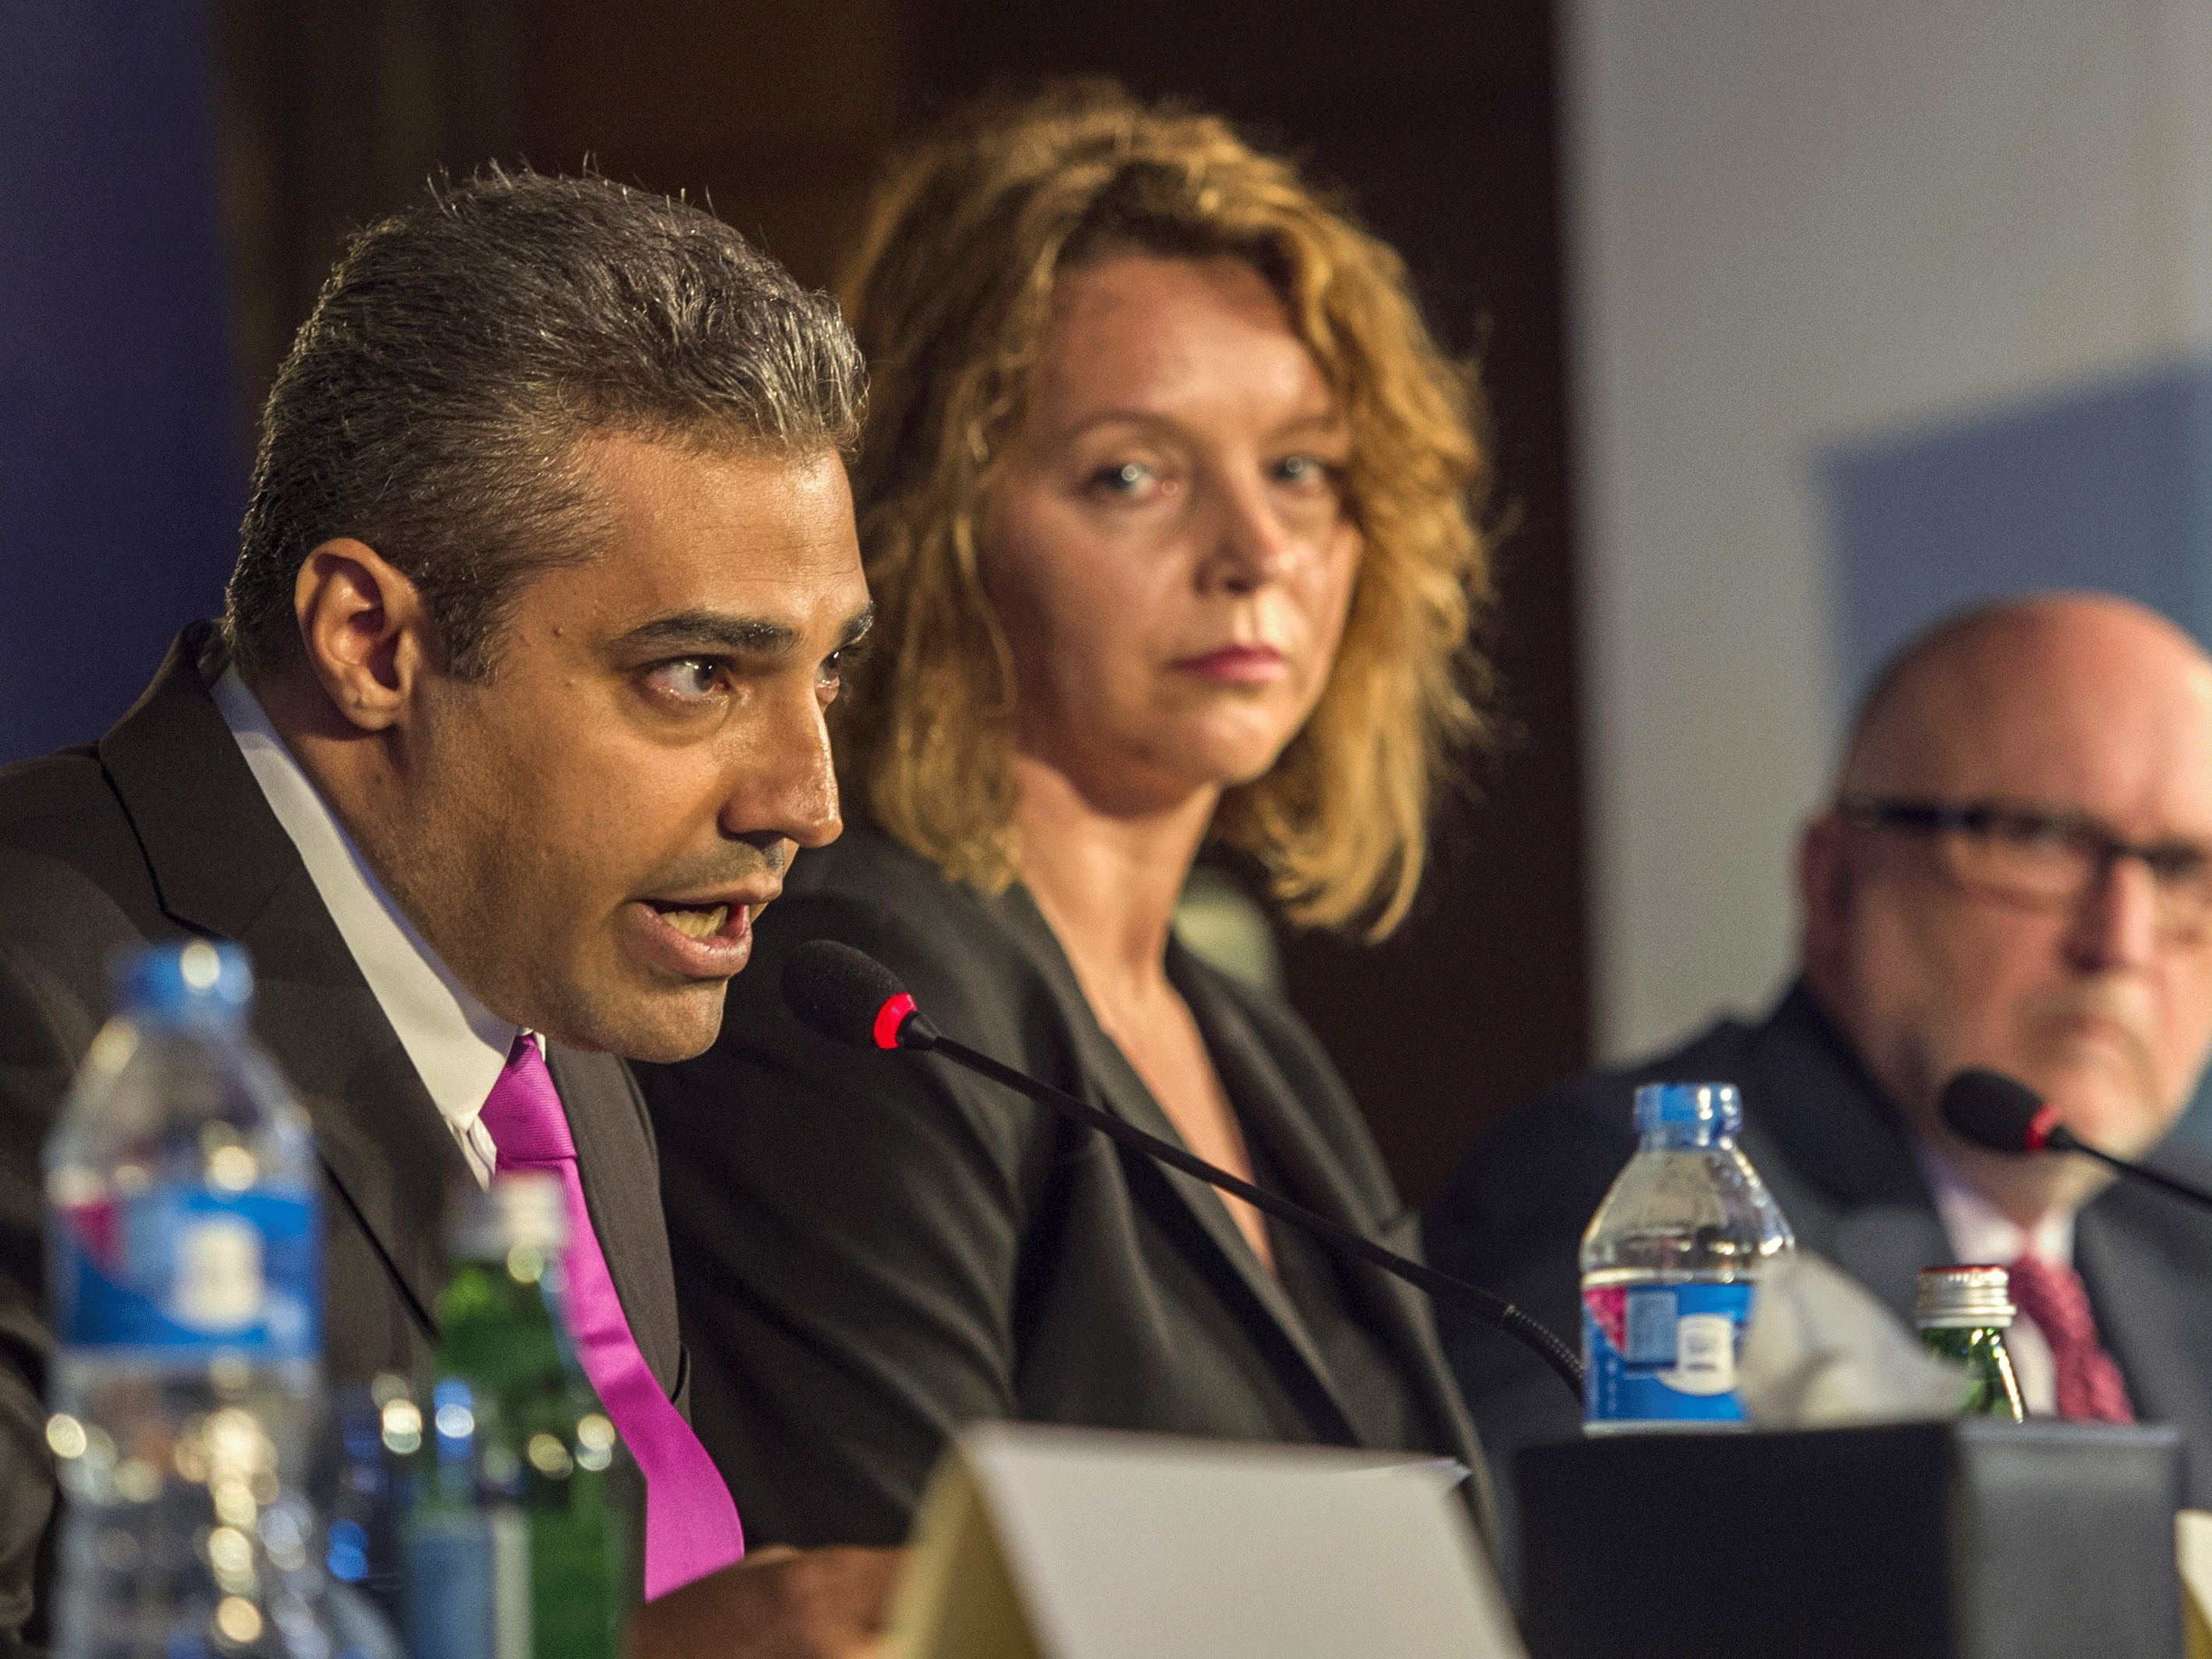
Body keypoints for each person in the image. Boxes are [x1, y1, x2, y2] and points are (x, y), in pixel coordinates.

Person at [0, 171, 899, 1655]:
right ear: (372, 641)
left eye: (825, 673)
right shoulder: (41, 1005)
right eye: (695, 673)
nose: (805, 800)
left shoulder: (547, 1010)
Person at [636, 82, 1500, 1551]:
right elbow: (892, 1599)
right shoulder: (859, 992)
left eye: (1302, 468)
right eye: (1132, 474)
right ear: (935, 526)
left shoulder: (1244, 1037)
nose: (1257, 550)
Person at [1426, 592, 2212, 1540]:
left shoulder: (2183, 1230)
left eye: (2182, 869)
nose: (2121, 939)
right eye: (2038, 837)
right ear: (1835, 885)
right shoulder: (1646, 1205)